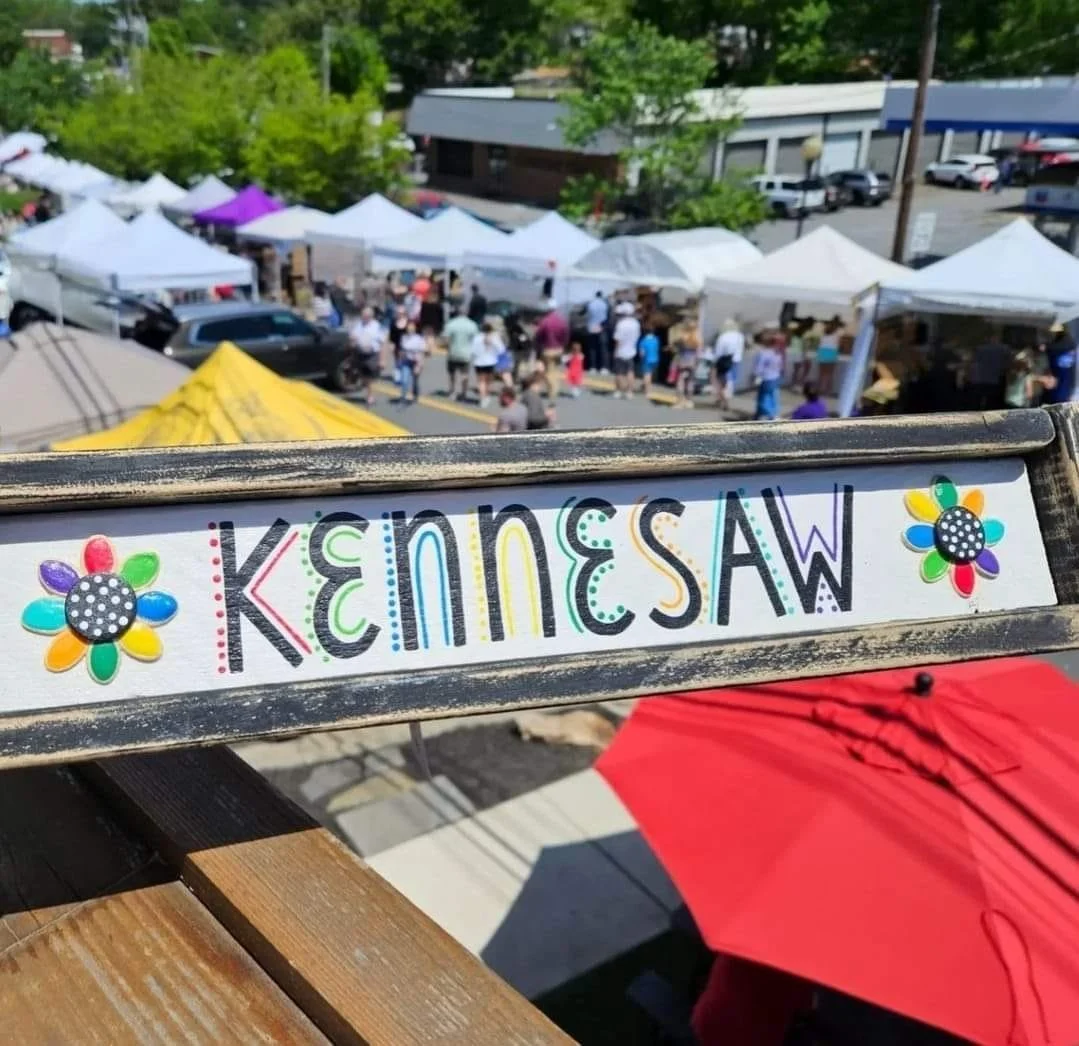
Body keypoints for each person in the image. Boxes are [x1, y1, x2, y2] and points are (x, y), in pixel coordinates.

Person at [348, 306, 385, 406]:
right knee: (363, 376)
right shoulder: (358, 325)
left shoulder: (377, 326)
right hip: (360, 353)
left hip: (372, 354)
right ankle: (367, 389)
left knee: (369, 377)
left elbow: (382, 344)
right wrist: (352, 342)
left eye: (367, 315)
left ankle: (370, 396)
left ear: (371, 316)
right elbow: (352, 340)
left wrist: (382, 360)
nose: (365, 317)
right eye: (363, 315)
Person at [440, 307, 478, 400]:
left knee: (452, 374)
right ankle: (463, 393)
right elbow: (476, 340)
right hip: (466, 353)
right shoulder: (472, 324)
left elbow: (445, 339)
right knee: (465, 374)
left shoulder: (451, 324)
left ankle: (452, 392)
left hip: (453, 352)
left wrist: (447, 346)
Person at [535, 304, 569, 401]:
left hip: (548, 349)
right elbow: (566, 335)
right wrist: (563, 346)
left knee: (549, 371)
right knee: (554, 369)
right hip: (559, 349)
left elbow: (539, 336)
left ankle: (553, 391)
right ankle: (553, 390)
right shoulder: (562, 321)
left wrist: (538, 347)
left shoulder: (545, 321)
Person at [713, 318, 745, 412]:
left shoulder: (723, 336)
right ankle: (726, 397)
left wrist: (715, 362)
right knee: (731, 380)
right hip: (736, 360)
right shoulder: (740, 336)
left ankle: (723, 399)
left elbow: (718, 351)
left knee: (721, 381)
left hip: (723, 361)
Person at [611, 301, 641, 399]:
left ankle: (618, 390)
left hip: (621, 351)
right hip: (631, 350)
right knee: (630, 371)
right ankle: (629, 391)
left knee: (619, 372)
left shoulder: (621, 324)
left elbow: (618, 339)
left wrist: (615, 351)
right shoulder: (636, 323)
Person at [470, 321, 503, 407]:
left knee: (481, 381)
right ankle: (486, 395)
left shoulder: (477, 338)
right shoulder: (494, 338)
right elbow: (501, 350)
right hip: (491, 362)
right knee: (488, 381)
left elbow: (473, 350)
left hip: (479, 362)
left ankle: (482, 398)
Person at [753, 334, 784, 420]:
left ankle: (769, 414)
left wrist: (756, 376)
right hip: (775, 378)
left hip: (766, 378)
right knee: (773, 396)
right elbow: (780, 367)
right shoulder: (777, 354)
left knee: (763, 397)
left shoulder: (763, 353)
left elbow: (758, 368)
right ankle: (771, 413)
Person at [1045, 322, 1077, 403]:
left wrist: (1047, 347)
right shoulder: (1067, 342)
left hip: (1062, 379)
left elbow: (1055, 349)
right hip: (1060, 378)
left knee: (1059, 397)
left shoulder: (1066, 343)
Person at [398, 321, 426, 404]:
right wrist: (400, 361)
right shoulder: (403, 338)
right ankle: (403, 396)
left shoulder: (419, 339)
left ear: (415, 328)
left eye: (412, 328)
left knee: (415, 381)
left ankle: (415, 395)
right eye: (408, 328)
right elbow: (402, 351)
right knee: (404, 379)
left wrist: (420, 365)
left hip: (416, 362)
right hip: (406, 361)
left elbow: (422, 353)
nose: (410, 329)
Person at [672, 327, 700, 409]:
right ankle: (689, 401)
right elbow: (698, 352)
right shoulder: (696, 338)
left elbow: (675, 345)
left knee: (680, 380)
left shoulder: (683, 338)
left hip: (683, 361)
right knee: (690, 381)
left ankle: (680, 401)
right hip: (693, 362)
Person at [816, 316, 843, 396]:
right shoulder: (838, 333)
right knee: (829, 374)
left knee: (821, 373)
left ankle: (820, 389)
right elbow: (840, 345)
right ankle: (827, 390)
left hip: (822, 352)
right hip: (831, 353)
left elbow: (820, 343)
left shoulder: (824, 332)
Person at [585, 291, 610, 373]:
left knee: (592, 348)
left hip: (591, 327)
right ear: (601, 296)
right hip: (601, 327)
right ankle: (604, 368)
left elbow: (584, 312)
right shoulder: (605, 304)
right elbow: (608, 316)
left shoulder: (590, 303)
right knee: (603, 348)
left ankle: (593, 367)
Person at [638, 324, 661, 397]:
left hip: (646, 360)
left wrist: (641, 358)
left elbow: (642, 353)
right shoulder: (656, 340)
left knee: (647, 375)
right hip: (655, 359)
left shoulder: (643, 341)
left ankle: (647, 391)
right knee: (651, 374)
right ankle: (644, 386)